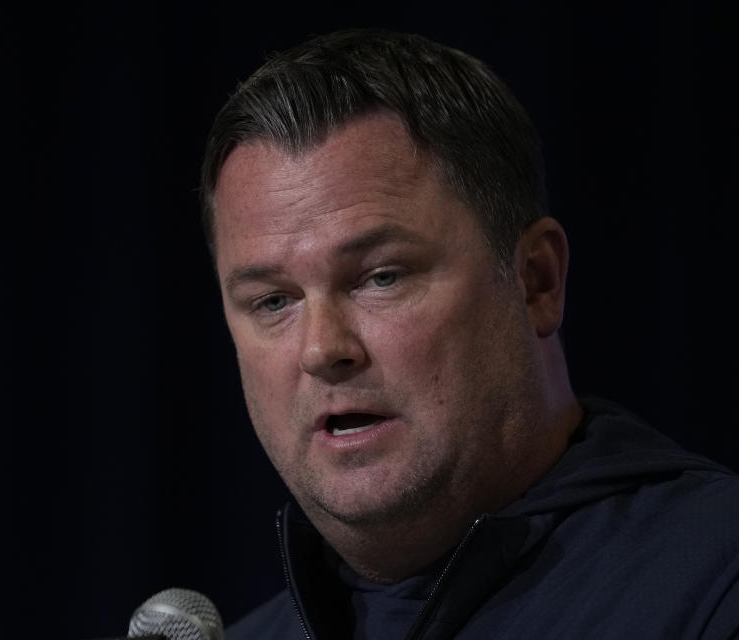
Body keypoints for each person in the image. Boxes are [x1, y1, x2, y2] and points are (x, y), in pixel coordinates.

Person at [199, 29, 739, 639]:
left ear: (536, 281)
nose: (323, 349)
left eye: (381, 277)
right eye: (273, 301)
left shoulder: (717, 583)